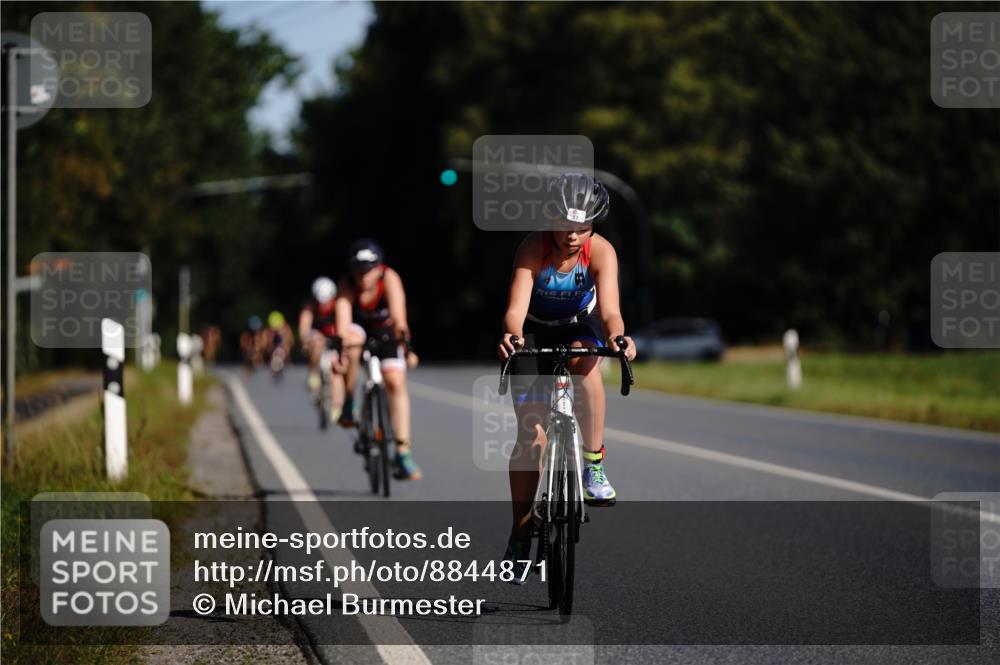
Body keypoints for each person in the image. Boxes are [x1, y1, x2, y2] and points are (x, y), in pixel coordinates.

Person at [497, 173, 636, 576]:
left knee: (586, 360)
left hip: (579, 326)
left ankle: (593, 463)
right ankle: (521, 532)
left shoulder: (602, 252)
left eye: (583, 228)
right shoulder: (532, 247)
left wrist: (619, 337)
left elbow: (610, 310)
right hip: (534, 330)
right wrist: (512, 336)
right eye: (566, 226)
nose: (573, 236)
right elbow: (515, 308)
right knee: (532, 434)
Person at [335, 239, 422, 480]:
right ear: (352, 270)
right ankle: (349, 401)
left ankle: (403, 452)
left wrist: (406, 348)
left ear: (379, 267)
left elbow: (398, 318)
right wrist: (341, 352)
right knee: (351, 342)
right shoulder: (346, 285)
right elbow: (342, 324)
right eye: (359, 269)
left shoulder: (389, 278)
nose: (364, 274)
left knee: (395, 381)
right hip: (359, 331)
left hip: (386, 332)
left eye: (369, 268)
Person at [299, 277, 348, 421]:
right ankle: (313, 372)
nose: (323, 305)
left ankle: (336, 405)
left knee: (335, 373)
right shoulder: (310, 306)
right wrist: (306, 339)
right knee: (316, 344)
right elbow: (304, 326)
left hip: (334, 336)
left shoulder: (338, 305)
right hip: (317, 335)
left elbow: (343, 325)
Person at [264, 310, 293, 375]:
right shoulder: (268, 331)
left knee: (286, 349)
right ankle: (271, 363)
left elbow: (290, 340)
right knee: (270, 349)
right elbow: (267, 342)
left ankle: (287, 361)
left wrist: (286, 345)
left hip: (282, 344)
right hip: (273, 345)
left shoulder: (286, 328)